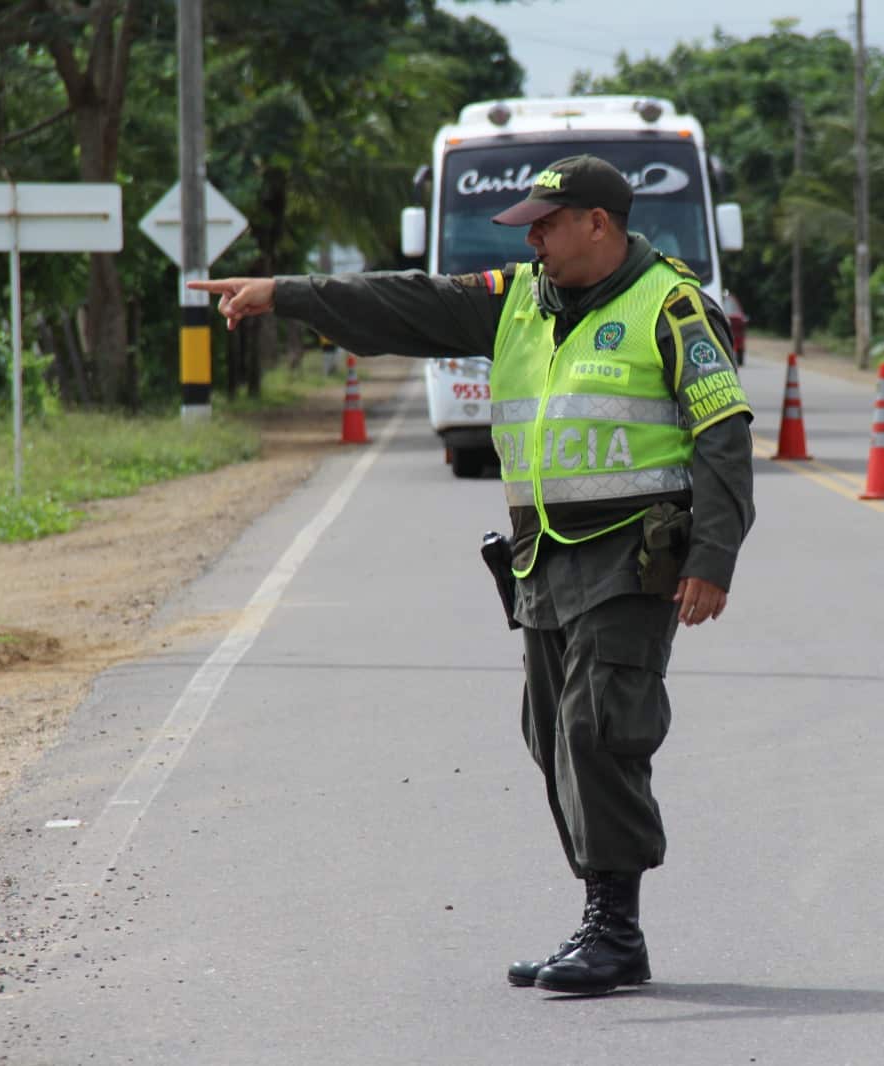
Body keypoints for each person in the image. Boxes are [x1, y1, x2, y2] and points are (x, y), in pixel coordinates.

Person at [189, 155, 756, 996]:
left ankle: (615, 927)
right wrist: (288, 292)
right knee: (551, 732)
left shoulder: (671, 305)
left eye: (546, 224)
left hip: (635, 555)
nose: (533, 239)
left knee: (599, 725)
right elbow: (410, 303)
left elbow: (723, 431)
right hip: (544, 553)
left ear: (597, 223)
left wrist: (713, 557)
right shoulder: (523, 297)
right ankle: (604, 921)